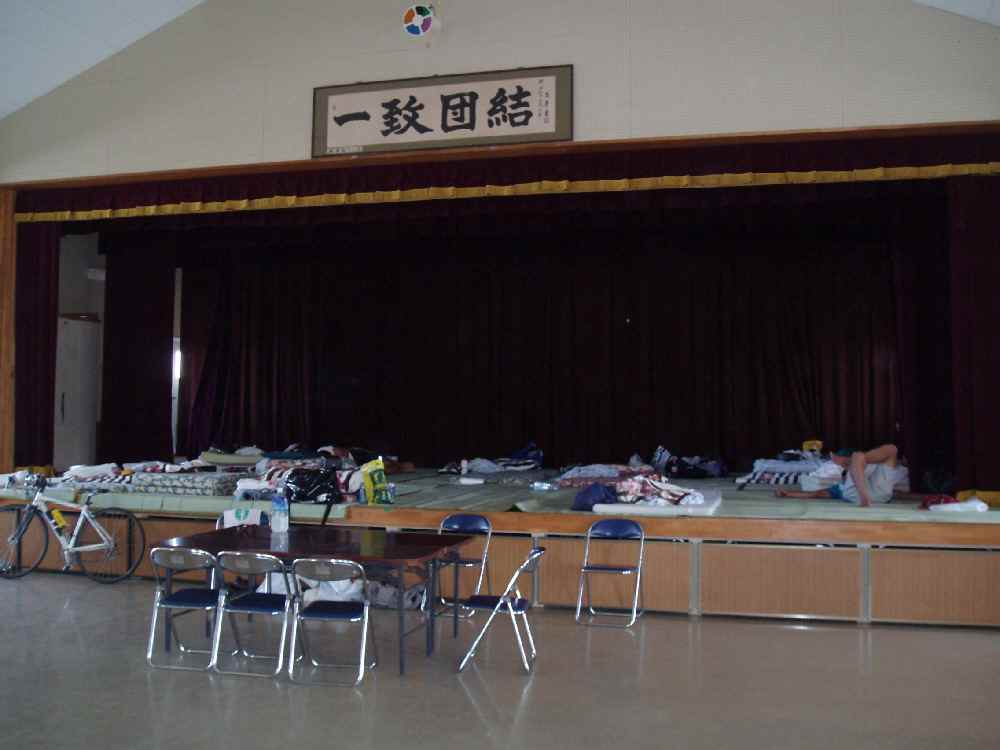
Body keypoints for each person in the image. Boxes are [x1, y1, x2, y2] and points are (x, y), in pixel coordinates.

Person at [775, 444, 899, 507]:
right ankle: (864, 497)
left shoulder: (856, 469)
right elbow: (818, 493)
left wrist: (789, 494)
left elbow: (818, 494)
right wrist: (789, 494)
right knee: (859, 455)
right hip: (863, 495)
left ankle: (865, 497)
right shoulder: (841, 486)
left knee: (892, 449)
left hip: (879, 494)